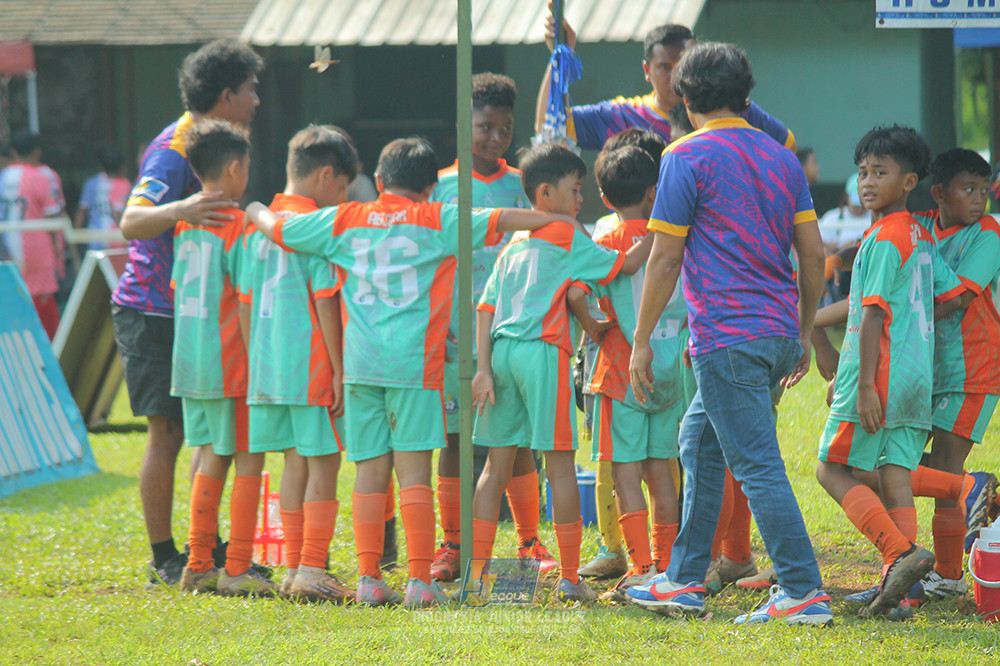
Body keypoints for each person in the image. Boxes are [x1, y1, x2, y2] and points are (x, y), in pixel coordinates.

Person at [246, 137, 581, 607]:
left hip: (361, 369)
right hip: (415, 368)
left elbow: (279, 229)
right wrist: (558, 218)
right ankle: (419, 583)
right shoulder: (438, 218)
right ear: (430, 188)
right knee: (415, 474)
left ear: (379, 181)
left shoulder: (347, 218)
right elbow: (505, 221)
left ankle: (368, 579)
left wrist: (256, 207)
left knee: (370, 472)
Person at [625, 42, 830, 625]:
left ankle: (801, 590)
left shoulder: (685, 156)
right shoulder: (781, 156)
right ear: (746, 95)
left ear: (686, 100)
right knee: (699, 441)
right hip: (773, 334)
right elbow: (812, 255)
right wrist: (803, 326)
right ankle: (686, 578)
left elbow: (665, 258)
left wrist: (642, 339)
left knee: (758, 464)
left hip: (726, 338)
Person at [470, 143, 652, 603]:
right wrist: (663, 230)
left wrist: (483, 369)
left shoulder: (514, 240)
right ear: (546, 192)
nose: (580, 201)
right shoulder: (569, 233)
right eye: (575, 190)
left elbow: (485, 308)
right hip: (542, 352)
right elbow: (626, 265)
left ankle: (476, 577)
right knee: (560, 467)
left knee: (495, 465)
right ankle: (570, 579)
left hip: (502, 353)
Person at [111, 39, 263, 586]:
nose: (256, 101)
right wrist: (181, 208)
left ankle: (210, 548)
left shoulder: (211, 144)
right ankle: (164, 556)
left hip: (191, 313)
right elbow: (131, 222)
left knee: (204, 432)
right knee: (166, 433)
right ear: (226, 95)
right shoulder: (173, 149)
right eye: (250, 90)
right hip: (151, 310)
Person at [814, 126, 963, 618]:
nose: (867, 182)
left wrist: (863, 387)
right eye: (862, 172)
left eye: (881, 172)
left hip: (877, 377)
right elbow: (952, 296)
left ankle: (897, 553)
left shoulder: (883, 238)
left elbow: (873, 314)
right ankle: (904, 590)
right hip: (915, 378)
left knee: (830, 468)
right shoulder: (921, 236)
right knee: (895, 476)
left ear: (909, 180)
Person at [427, 72, 554, 583]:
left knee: (518, 440)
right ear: (465, 124)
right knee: (456, 440)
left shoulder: (522, 181)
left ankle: (527, 542)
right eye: (484, 127)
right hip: (456, 338)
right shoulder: (441, 185)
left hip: (512, 338)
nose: (495, 138)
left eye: (504, 129)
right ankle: (452, 544)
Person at [239, 125, 360, 602]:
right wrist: (338, 368)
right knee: (324, 463)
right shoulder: (316, 227)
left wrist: (257, 363)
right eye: (343, 187)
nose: (342, 197)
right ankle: (312, 567)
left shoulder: (257, 229)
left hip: (269, 367)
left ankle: (292, 568)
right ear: (326, 175)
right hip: (310, 365)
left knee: (294, 465)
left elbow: (245, 303)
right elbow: (326, 302)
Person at [566, 145, 682, 600]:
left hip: (619, 371)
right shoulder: (674, 236)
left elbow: (577, 292)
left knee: (626, 471)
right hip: (668, 364)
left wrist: (592, 325)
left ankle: (639, 567)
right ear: (654, 191)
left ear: (604, 195)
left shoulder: (608, 241)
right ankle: (669, 566)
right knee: (660, 469)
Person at [173, 120, 275, 597]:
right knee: (250, 460)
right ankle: (235, 566)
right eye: (248, 165)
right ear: (235, 167)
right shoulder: (240, 227)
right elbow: (246, 301)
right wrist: (260, 365)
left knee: (212, 457)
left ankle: (197, 563)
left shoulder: (184, 223)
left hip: (191, 361)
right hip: (232, 362)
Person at [535, 14, 795, 150]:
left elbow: (788, 149)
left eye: (684, 64)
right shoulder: (622, 116)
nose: (676, 76)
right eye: (665, 68)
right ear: (647, 70)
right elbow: (549, 126)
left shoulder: (735, 110)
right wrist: (560, 56)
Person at [0, 131, 64, 338]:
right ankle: (48, 347)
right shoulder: (39, 176)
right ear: (37, 152)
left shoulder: (3, 176)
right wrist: (56, 248)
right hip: (36, 246)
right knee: (42, 300)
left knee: (13, 297)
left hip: (7, 246)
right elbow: (51, 217)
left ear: (13, 152)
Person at [74, 144, 131, 249]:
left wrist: (75, 237)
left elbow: (82, 211)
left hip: (96, 240)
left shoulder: (91, 184)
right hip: (117, 240)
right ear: (121, 166)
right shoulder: (124, 184)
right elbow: (120, 214)